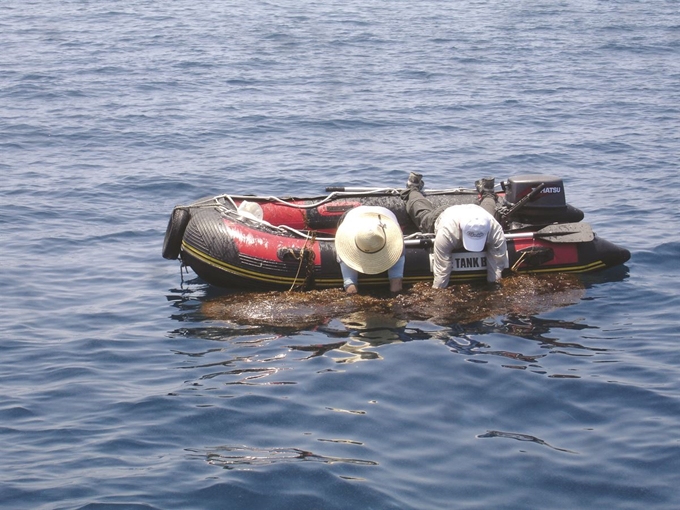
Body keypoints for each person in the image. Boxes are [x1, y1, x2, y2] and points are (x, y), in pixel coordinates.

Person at [403, 172, 508, 289]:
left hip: (478, 212)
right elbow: (442, 271)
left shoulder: (494, 228)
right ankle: (413, 189)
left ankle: (488, 192)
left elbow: (497, 264)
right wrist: (438, 295)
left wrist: (494, 286)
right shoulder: (447, 232)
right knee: (422, 214)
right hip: (445, 215)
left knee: (489, 208)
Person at [335, 205, 405, 294]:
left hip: (386, 215)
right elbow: (349, 285)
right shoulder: (344, 247)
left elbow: (397, 284)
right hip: (353, 214)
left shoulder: (397, 245)